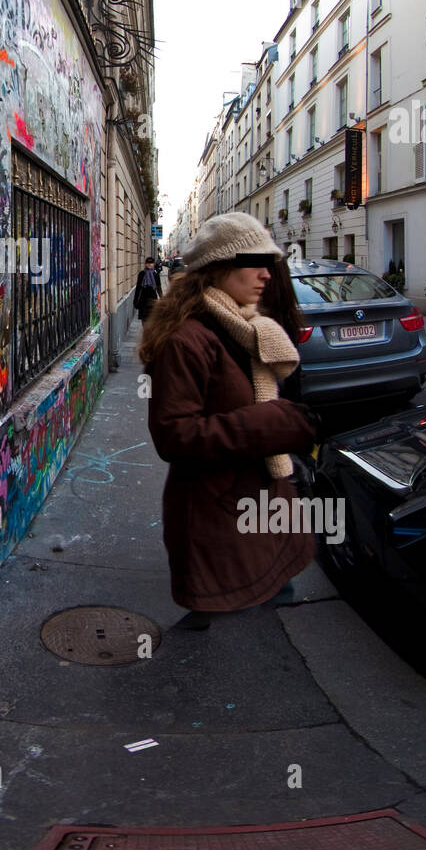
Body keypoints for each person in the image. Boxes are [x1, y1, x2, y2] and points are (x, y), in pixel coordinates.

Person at [144, 212, 317, 633]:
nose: (266, 275)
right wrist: (275, 423)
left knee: (265, 595)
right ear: (219, 269)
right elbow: (174, 435)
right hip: (217, 509)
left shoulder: (248, 325)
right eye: (254, 264)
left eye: (269, 264)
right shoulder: (187, 339)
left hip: (260, 501)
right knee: (229, 617)